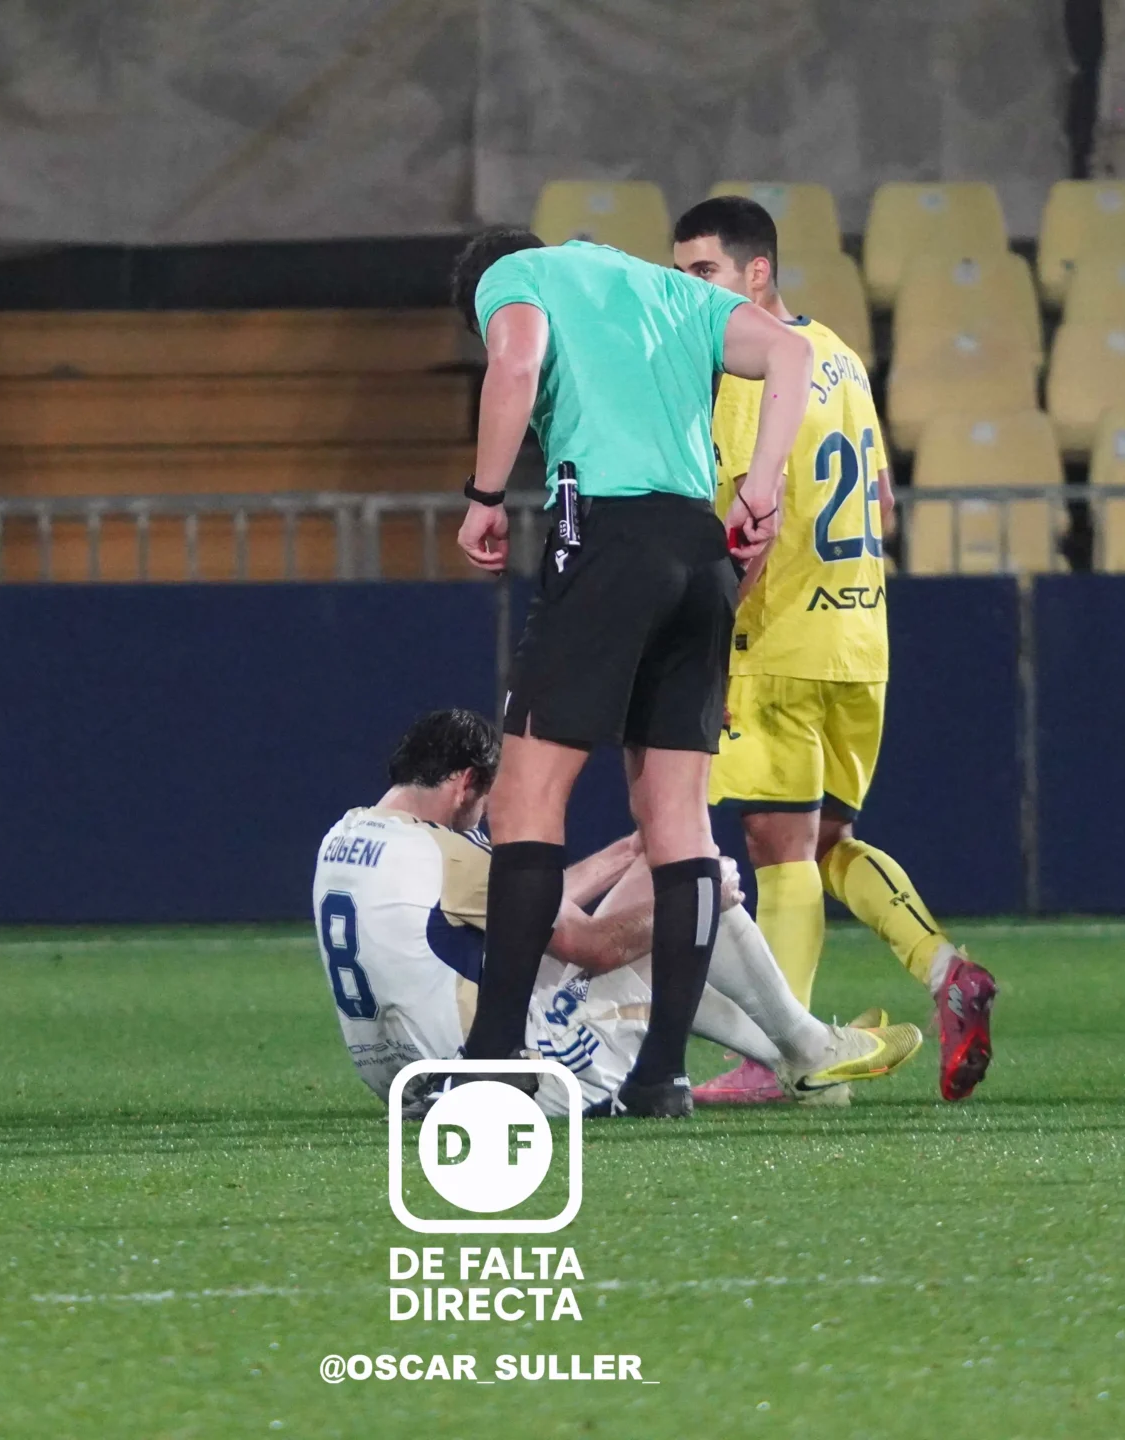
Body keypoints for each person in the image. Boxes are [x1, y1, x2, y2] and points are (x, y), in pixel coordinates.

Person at [446, 229, 816, 1118]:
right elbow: (793, 351)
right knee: (679, 824)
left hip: (604, 536)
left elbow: (518, 363)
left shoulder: (514, 275)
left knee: (526, 801)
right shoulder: (666, 289)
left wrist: (486, 495)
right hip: (701, 547)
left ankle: (492, 1061)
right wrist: (760, 486)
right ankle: (662, 1076)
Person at [666, 195, 998, 1106]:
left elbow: (749, 524)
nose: (692, 291)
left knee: (776, 851)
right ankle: (943, 972)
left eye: (706, 273)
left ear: (755, 272)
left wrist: (713, 641)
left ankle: (783, 1057)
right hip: (861, 637)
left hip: (779, 639)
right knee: (825, 841)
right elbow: (884, 501)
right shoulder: (839, 355)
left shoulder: (744, 374)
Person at [313, 709, 922, 1115]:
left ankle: (799, 1061)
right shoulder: (445, 850)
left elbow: (521, 906)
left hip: (406, 1084)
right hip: (511, 1078)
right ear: (466, 781)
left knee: (664, 867)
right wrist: (696, 905)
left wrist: (625, 853)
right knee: (697, 877)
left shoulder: (346, 838)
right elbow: (589, 946)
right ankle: (808, 1048)